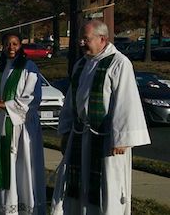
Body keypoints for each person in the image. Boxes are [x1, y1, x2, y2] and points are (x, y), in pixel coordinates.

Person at [51, 20, 150, 215]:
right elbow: (73, 99)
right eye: (80, 39)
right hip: (80, 134)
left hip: (106, 139)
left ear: (102, 39)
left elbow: (126, 100)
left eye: (85, 39)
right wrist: (66, 130)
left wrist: (122, 138)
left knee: (106, 186)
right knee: (77, 185)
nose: (80, 43)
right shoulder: (82, 64)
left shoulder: (118, 63)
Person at [0, 32, 46, 215]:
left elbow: (31, 98)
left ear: (21, 46)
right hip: (5, 124)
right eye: (7, 44)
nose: (11, 47)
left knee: (24, 167)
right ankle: (8, 206)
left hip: (23, 126)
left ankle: (27, 207)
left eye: (15, 44)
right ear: (3, 47)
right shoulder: (0, 69)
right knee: (8, 166)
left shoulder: (29, 67)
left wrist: (7, 105)